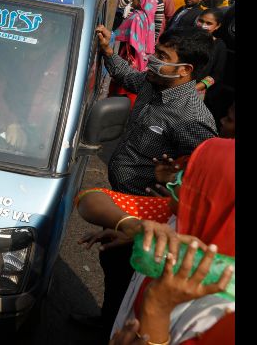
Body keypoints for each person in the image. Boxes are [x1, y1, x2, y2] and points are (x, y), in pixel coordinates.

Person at [91, 24, 217, 331]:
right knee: (112, 269)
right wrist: (108, 51)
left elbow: (203, 182)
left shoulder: (193, 121)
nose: (151, 59)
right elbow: (127, 76)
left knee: (130, 280)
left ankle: (115, 331)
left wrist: (174, 195)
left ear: (185, 69)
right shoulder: (153, 82)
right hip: (122, 204)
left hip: (148, 216)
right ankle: (106, 323)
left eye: (161, 55)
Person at [76, 137, 234, 345]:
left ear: (213, 195)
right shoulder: (176, 219)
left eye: (188, 175)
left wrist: (156, 309)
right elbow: (88, 199)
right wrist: (131, 225)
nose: (174, 180)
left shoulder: (225, 315)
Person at [194, 9, 227, 112]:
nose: (203, 25)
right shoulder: (187, 39)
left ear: (217, 26)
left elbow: (216, 76)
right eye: (201, 21)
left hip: (196, 93)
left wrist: (196, 88)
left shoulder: (219, 46)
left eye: (209, 23)